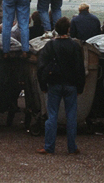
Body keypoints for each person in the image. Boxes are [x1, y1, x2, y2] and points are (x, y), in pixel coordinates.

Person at [36, 17, 85, 155]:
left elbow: (41, 66)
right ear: (69, 29)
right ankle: (72, 147)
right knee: (71, 116)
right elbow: (80, 68)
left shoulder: (50, 45)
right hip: (71, 85)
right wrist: (80, 87)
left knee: (52, 116)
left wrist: (43, 84)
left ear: (56, 29)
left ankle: (49, 147)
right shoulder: (75, 46)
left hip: (54, 83)